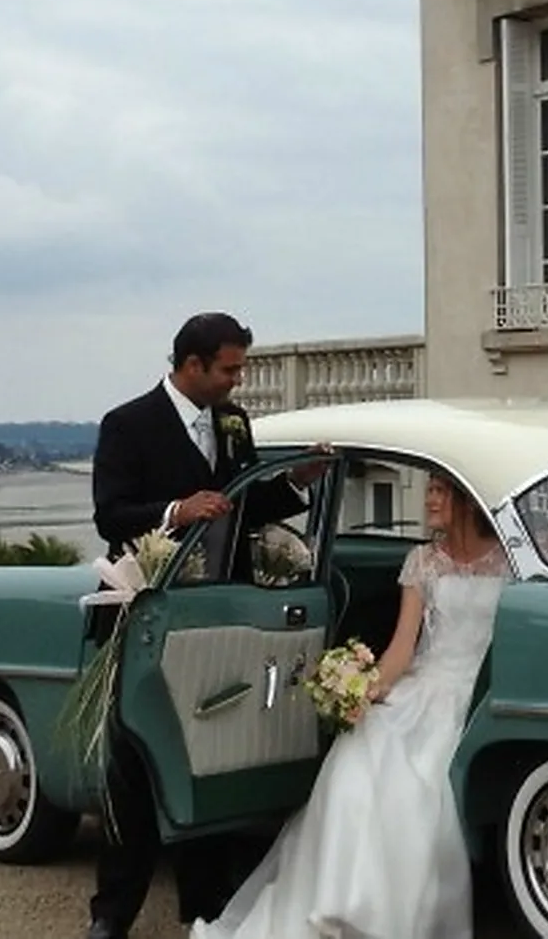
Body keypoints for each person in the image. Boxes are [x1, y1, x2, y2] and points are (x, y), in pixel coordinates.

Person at [85, 311, 329, 939]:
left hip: (219, 613)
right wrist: (175, 510)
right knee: (134, 766)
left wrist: (296, 482)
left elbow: (244, 505)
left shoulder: (233, 424)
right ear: (192, 365)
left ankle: (205, 908)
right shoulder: (127, 423)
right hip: (147, 614)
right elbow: (111, 515)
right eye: (229, 369)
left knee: (212, 755)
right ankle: (112, 914)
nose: (237, 382)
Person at [192, 471, 511, 939]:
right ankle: (341, 900)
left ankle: (398, 916)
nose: (429, 499)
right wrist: (365, 690)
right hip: (425, 686)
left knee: (422, 783)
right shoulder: (422, 562)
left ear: (466, 499)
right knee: (362, 750)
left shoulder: (508, 563)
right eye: (429, 490)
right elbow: (404, 646)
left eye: (440, 492)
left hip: (479, 692)